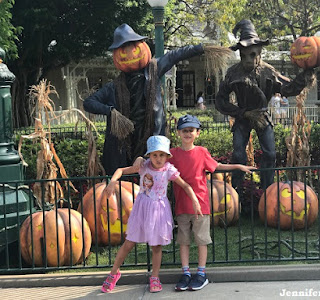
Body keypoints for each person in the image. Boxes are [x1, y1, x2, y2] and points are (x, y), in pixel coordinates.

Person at [133, 114, 256, 291]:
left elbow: (217, 166)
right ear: (178, 133)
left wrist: (238, 166)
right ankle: (186, 273)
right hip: (182, 205)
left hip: (201, 204)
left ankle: (201, 273)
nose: (188, 133)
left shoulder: (202, 152)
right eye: (184, 130)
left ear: (197, 133)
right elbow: (153, 161)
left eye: (191, 130)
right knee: (183, 240)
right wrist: (138, 159)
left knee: (201, 240)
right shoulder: (172, 154)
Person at [83, 24, 206, 176]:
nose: (129, 55)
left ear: (142, 46)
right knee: (124, 182)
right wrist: (110, 111)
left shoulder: (154, 70)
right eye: (122, 51)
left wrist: (201, 48)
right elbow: (88, 102)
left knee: (151, 177)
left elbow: (176, 54)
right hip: (124, 140)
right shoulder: (113, 87)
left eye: (133, 48)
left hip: (150, 136)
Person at [215, 19, 314, 190]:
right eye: (244, 55)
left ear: (259, 52)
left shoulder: (268, 71)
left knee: (270, 153)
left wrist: (305, 76)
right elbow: (220, 101)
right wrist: (242, 113)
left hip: (262, 116)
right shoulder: (233, 73)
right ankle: (236, 190)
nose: (248, 60)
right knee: (239, 154)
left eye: (252, 55)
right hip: (243, 117)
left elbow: (288, 88)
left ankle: (267, 189)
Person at [100, 135, 202, 294]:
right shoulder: (143, 166)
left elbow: (185, 185)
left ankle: (155, 277)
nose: (158, 158)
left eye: (162, 155)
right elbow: (120, 170)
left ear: (167, 156)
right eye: (154, 155)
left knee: (156, 246)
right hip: (141, 210)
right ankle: (114, 272)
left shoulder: (169, 170)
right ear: (149, 155)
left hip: (158, 212)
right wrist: (112, 181)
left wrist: (195, 201)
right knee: (128, 244)